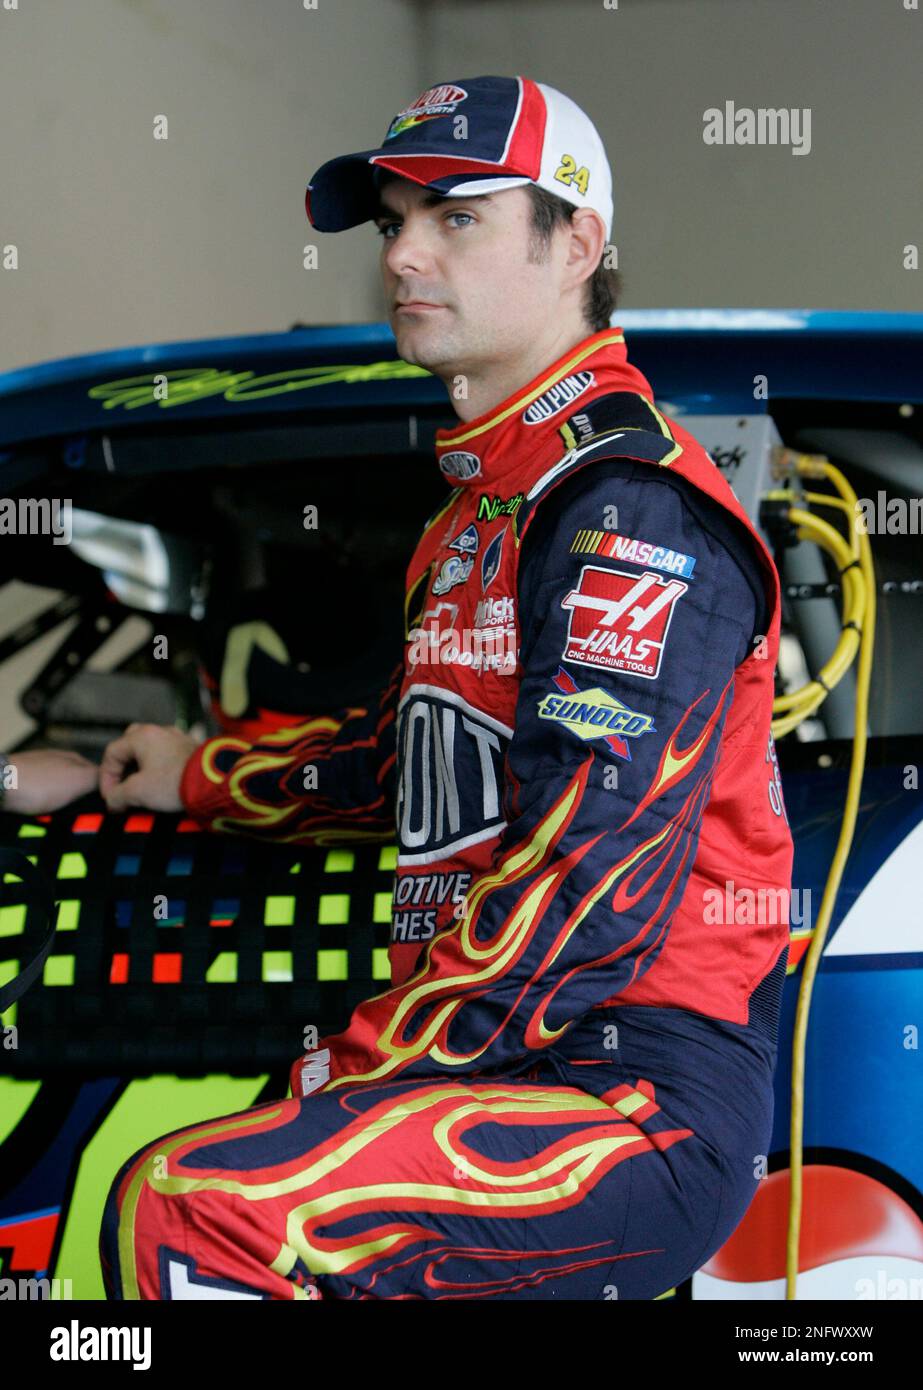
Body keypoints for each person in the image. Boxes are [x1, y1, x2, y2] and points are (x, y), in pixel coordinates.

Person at [95, 75, 793, 1300]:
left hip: (623, 1087)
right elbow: (399, 758)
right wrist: (187, 773)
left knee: (196, 1209)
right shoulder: (478, 513)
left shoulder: (626, 510)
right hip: (504, 1060)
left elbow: (588, 871)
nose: (403, 255)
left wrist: (375, 1062)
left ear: (575, 242)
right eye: (392, 222)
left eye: (455, 217)